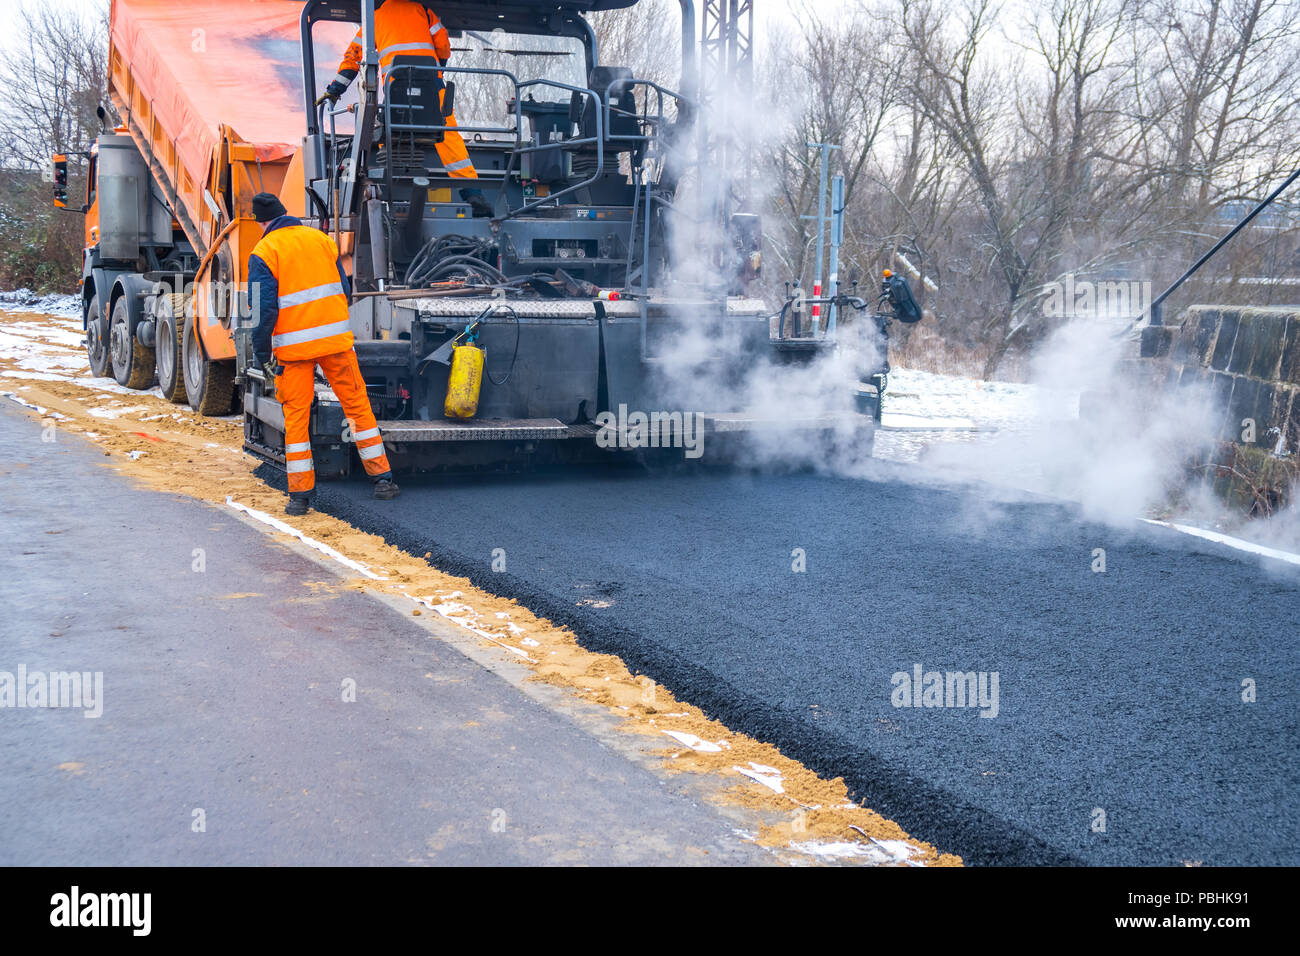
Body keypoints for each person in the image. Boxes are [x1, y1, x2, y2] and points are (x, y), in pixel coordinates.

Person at [246, 192, 400, 515]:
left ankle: (300, 499)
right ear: (285, 213)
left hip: (294, 352)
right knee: (357, 407)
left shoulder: (264, 251)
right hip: (336, 344)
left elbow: (263, 310)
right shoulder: (320, 240)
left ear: (261, 222)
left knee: (297, 420)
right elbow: (343, 289)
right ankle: (383, 480)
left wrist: (261, 351)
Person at [319, 0, 491, 217]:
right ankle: (473, 193)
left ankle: (385, 190)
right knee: (448, 135)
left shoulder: (374, 19)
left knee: (387, 132)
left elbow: (353, 58)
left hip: (395, 89)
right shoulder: (424, 12)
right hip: (431, 86)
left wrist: (334, 91)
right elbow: (443, 46)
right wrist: (439, 68)